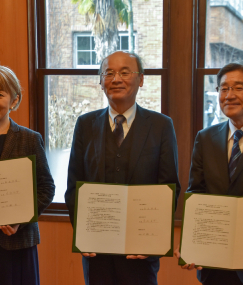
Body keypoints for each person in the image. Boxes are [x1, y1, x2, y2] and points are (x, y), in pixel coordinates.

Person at [65, 51, 181, 285]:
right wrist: (84, 236)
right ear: (100, 81)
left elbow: (169, 187)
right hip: (96, 253)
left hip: (140, 254)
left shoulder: (161, 125)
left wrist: (153, 241)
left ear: (141, 79)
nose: (116, 79)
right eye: (108, 73)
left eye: (125, 72)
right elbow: (74, 186)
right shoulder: (85, 124)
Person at [175, 62, 243, 285]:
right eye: (223, 89)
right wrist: (191, 244)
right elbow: (197, 192)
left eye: (238, 87)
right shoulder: (205, 138)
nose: (229, 95)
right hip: (213, 265)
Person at [0, 65, 55, 284]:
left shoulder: (30, 139)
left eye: (0, 94)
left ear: (15, 100)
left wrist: (20, 220)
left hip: (17, 243)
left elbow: (46, 188)